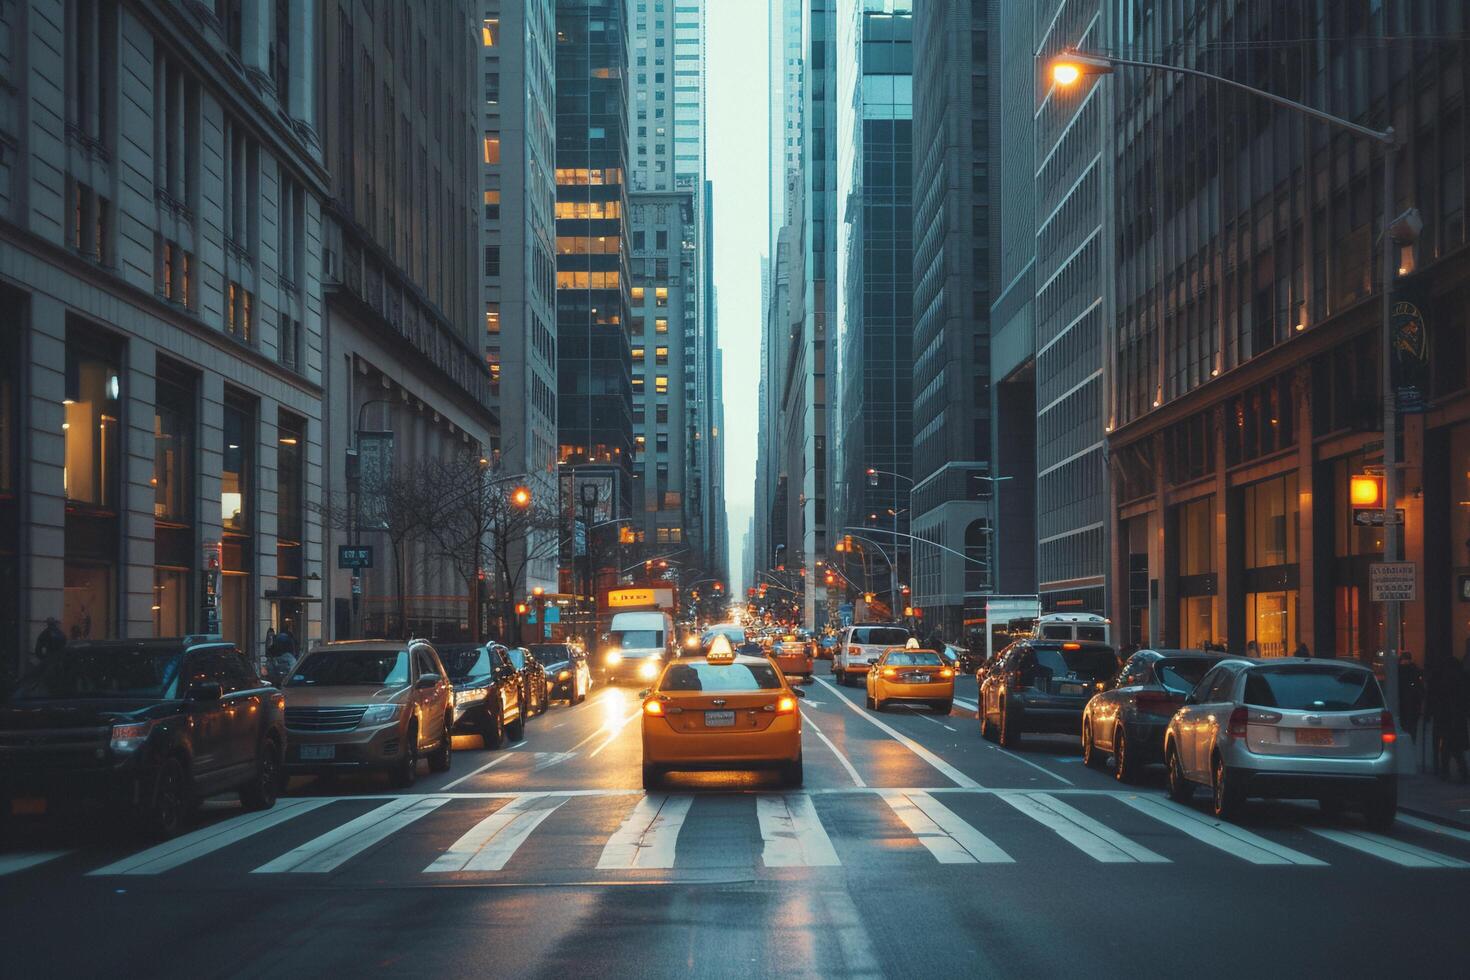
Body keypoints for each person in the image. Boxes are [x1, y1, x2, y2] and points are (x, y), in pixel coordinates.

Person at [1430, 655, 1469, 782]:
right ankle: (1458, 771)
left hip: (1447, 716)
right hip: (1454, 717)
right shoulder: (1460, 680)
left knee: (1448, 745)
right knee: (1453, 746)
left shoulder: (1443, 682)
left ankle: (1447, 771)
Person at [1398, 652, 1424, 743]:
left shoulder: (1398, 671)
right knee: (1412, 725)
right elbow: (1420, 688)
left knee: (1406, 722)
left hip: (1404, 702)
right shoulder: (1414, 670)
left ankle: (1408, 738)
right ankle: (1412, 738)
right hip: (1412, 702)